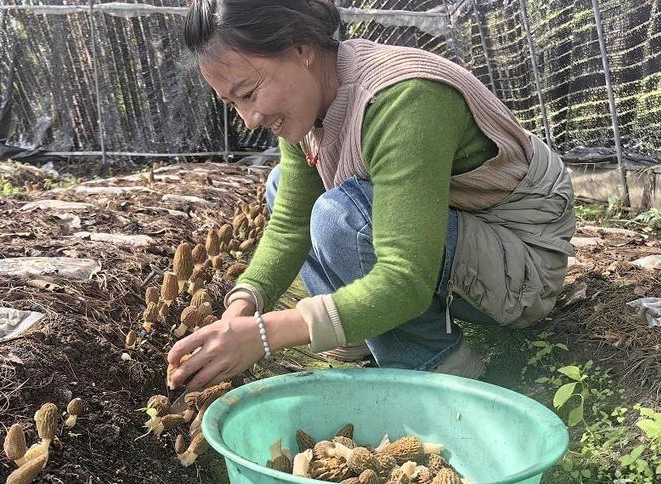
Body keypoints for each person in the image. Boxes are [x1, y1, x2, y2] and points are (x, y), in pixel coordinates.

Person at [167, 0, 575, 391]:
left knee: (341, 218)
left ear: (301, 49)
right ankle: (364, 328)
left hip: (520, 269)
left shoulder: (403, 99)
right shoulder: (309, 101)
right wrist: (241, 309)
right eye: (232, 103)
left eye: (250, 92)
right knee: (282, 186)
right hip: (454, 245)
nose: (250, 119)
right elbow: (291, 222)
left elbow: (405, 278)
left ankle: (439, 364)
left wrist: (264, 334)